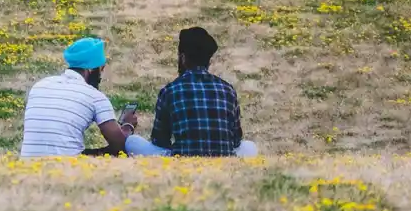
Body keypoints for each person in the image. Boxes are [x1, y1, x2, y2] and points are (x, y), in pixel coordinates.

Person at [124, 27, 258, 158]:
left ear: (182, 58)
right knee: (250, 146)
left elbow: (160, 141)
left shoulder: (170, 90)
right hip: (224, 159)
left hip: (181, 159)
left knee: (132, 142)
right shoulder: (228, 89)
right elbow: (236, 139)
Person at [20, 38, 135, 158]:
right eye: (101, 69)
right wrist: (128, 125)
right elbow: (121, 146)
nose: (101, 76)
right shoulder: (94, 96)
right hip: (67, 169)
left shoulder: (40, 85)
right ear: (90, 69)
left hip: (27, 167)